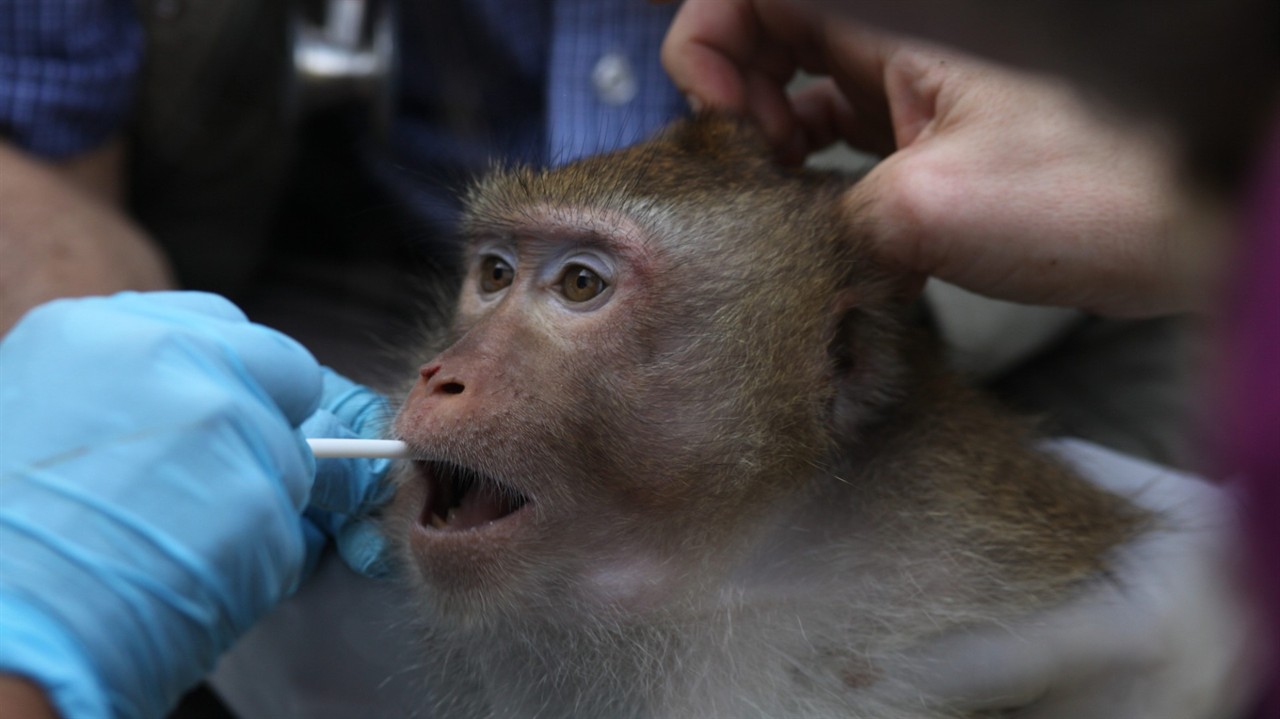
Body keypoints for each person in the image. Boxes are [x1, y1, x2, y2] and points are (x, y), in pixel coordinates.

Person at [0, 0, 1268, 716]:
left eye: (580, 285)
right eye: (491, 273)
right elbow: (34, 140)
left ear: (830, 362)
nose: (446, 372)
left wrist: (1179, 193)